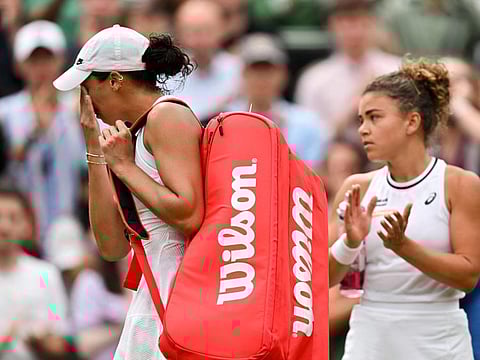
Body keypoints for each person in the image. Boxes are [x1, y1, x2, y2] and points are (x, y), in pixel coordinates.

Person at [53, 24, 204, 359]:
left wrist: (124, 167)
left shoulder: (167, 115)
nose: (85, 99)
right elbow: (112, 247)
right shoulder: (128, 139)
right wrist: (94, 146)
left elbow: (189, 214)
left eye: (87, 87)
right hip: (153, 301)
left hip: (181, 304)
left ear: (115, 80)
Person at [328, 58, 480, 359]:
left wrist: (404, 247)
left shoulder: (460, 184)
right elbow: (325, 279)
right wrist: (350, 242)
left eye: (374, 117)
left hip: (439, 341)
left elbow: (468, 275)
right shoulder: (355, 187)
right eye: (360, 120)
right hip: (369, 341)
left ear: (412, 122)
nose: (363, 130)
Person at [0, 20, 85, 247]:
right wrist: (35, 131)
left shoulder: (79, 108)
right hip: (18, 229)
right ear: (19, 65)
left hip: (69, 227)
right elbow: (7, 163)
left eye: (48, 59)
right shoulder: (5, 112)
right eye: (33, 60)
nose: (41, 68)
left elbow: (85, 165)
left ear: (60, 61)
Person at [294, 0, 400, 139]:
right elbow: (310, 142)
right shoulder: (314, 78)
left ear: (373, 24)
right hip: (337, 152)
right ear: (332, 26)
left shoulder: (397, 69)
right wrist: (353, 106)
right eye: (346, 24)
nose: (355, 32)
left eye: (362, 23)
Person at [226, 32, 330, 170]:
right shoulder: (225, 122)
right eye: (255, 70)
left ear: (283, 74)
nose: (262, 78)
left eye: (268, 71)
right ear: (243, 74)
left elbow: (314, 177)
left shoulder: (307, 123)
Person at [0, 184, 75, 360]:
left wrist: (40, 341)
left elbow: (60, 338)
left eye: (13, 218)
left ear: (27, 225)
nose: (4, 227)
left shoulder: (44, 275)